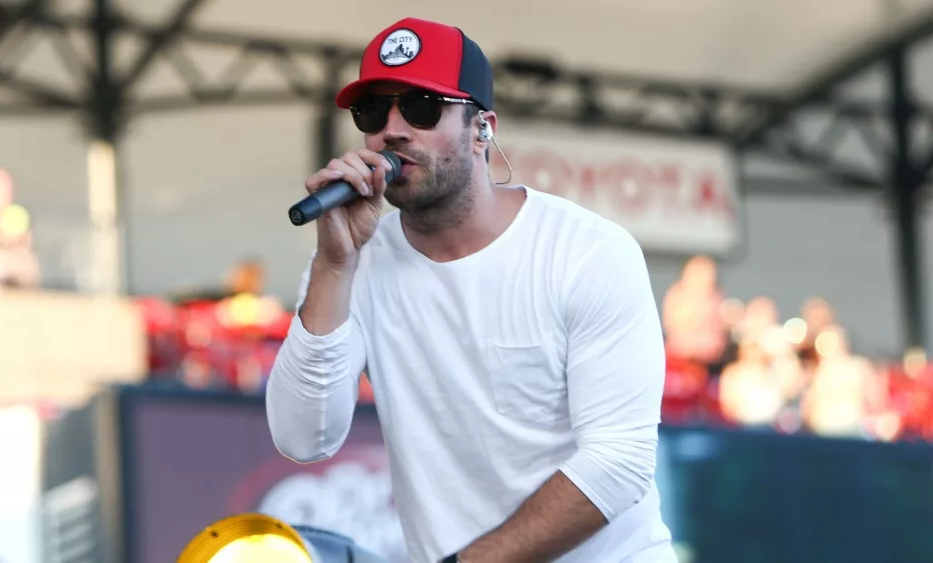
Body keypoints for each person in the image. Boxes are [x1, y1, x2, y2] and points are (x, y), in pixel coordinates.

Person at [266, 17, 674, 563]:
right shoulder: (351, 263)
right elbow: (302, 439)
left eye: (422, 106)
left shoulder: (588, 252)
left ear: (482, 127)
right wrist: (334, 266)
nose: (393, 129)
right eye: (373, 111)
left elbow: (620, 460)